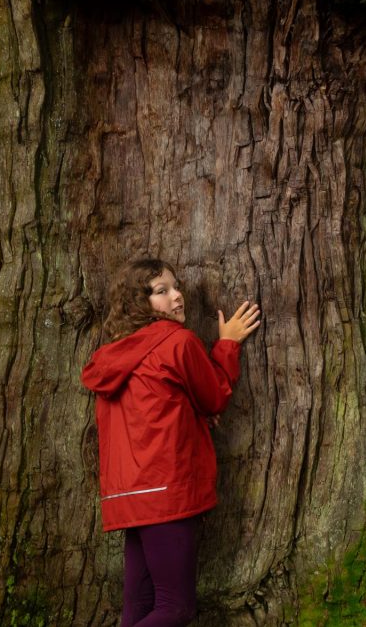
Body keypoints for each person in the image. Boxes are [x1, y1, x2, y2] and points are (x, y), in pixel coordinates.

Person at [81, 257, 260, 626]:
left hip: (129, 495)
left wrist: (191, 413)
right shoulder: (177, 342)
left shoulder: (112, 358)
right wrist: (226, 345)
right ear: (137, 303)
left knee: (139, 607)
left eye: (175, 287)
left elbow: (156, 407)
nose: (177, 297)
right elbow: (213, 397)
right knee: (174, 608)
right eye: (161, 292)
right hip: (167, 491)